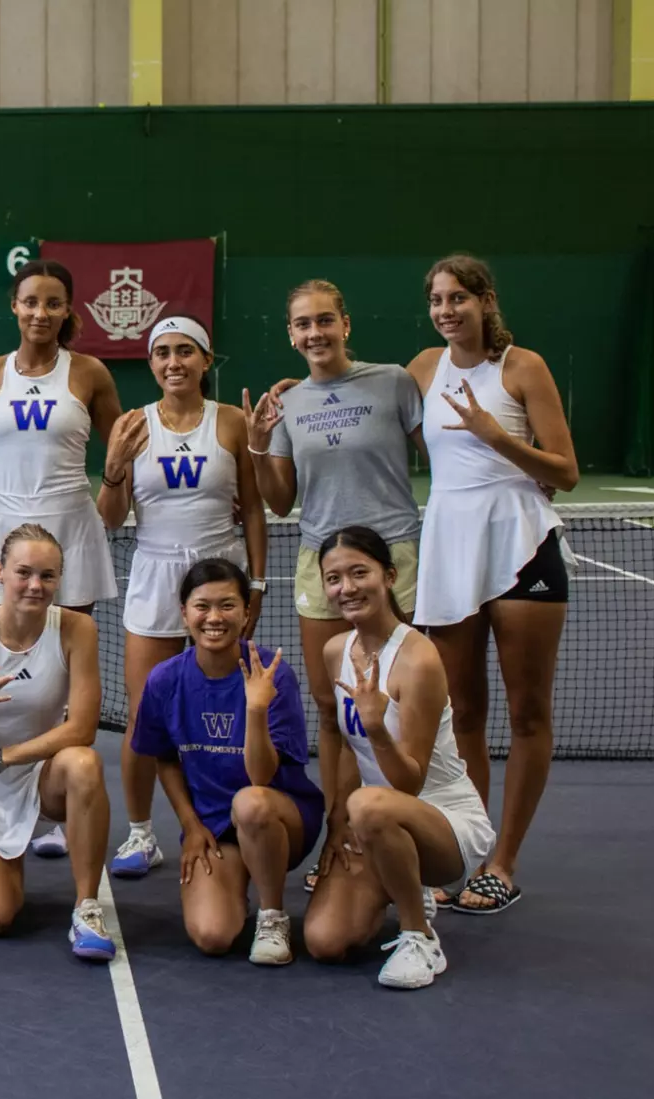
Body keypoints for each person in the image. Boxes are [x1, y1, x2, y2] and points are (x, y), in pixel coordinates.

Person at [409, 255, 577, 913]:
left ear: (485, 301)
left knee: (528, 712)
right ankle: (463, 851)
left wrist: (494, 435)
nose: (447, 311)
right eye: (437, 300)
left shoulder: (522, 367)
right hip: (450, 547)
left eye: (459, 298)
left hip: (522, 546)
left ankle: (503, 863)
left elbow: (564, 470)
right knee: (463, 714)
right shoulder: (423, 368)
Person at [243, 280, 423, 891]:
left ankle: (412, 835)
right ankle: (341, 835)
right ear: (290, 335)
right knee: (331, 710)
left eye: (325, 321)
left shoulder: (394, 381)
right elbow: (282, 501)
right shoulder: (288, 405)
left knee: (402, 703)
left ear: (346, 324)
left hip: (394, 556)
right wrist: (258, 446)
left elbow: (442, 456)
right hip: (321, 559)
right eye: (302, 325)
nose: (314, 333)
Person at [0, 258, 123, 868]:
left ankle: (57, 810)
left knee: (61, 673)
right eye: (30, 302)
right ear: (14, 308)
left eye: (53, 304)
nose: (40, 314)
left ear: (68, 311)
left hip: (69, 528)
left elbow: (121, 451)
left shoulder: (92, 374)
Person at [97, 317, 267, 881]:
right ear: (151, 363)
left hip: (220, 577)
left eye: (186, 352)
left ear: (206, 359)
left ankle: (232, 821)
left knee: (233, 708)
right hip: (152, 575)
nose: (174, 362)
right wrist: (114, 468)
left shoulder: (234, 423)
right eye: (163, 353)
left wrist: (258, 583)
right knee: (146, 713)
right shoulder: (131, 424)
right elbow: (110, 518)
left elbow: (254, 510)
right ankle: (142, 833)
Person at [303, 527, 495, 988]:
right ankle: (399, 883)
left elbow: (409, 782)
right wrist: (336, 824)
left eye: (358, 573)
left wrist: (375, 728)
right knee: (325, 940)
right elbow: (350, 749)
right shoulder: (335, 653)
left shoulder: (419, 660)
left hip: (445, 823)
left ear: (389, 576)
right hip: (377, 820)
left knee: (369, 804)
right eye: (333, 578)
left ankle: (419, 935)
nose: (346, 588)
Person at [130, 559, 325, 965]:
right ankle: (236, 879)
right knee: (212, 935)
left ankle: (272, 915)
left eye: (227, 605)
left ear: (247, 612)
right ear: (184, 613)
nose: (214, 618)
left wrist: (255, 710)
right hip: (215, 827)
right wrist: (190, 824)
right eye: (202, 606)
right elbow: (164, 758)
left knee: (250, 803)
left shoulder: (274, 675)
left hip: (279, 816)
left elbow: (262, 776)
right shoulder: (165, 680)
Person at [0, 524, 116, 958]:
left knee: (84, 763)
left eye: (48, 575)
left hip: (41, 770)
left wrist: (2, 758)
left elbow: (82, 730)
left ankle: (87, 907)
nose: (35, 585)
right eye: (24, 572)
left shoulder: (77, 630)